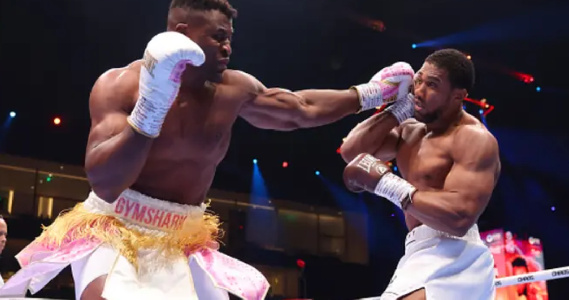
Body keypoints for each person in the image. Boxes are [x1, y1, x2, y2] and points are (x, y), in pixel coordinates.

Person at [0, 0, 415, 300]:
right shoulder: (120, 85)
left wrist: (370, 92)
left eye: (230, 38)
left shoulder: (233, 88)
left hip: (183, 234)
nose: (228, 47)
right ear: (180, 35)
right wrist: (151, 107)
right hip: (116, 226)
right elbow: (105, 182)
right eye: (218, 37)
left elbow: (299, 109)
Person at [341, 48, 501, 300]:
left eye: (432, 85)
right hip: (417, 249)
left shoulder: (473, 138)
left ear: (458, 96)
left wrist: (387, 184)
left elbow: (459, 219)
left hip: (455, 252)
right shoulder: (410, 132)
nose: (419, 90)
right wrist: (397, 109)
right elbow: (353, 151)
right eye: (418, 80)